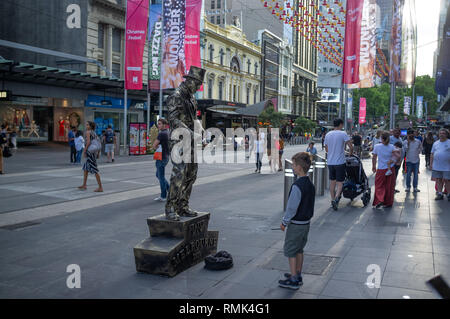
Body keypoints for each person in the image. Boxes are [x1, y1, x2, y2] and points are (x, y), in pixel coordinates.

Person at [164, 66, 206, 221]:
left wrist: (201, 131)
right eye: (197, 84)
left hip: (192, 140)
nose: (198, 88)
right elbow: (173, 119)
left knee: (191, 174)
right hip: (179, 140)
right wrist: (189, 131)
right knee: (179, 174)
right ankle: (170, 207)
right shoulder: (176, 96)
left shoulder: (191, 98)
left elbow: (194, 118)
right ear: (190, 81)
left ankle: (183, 205)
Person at [278, 152, 315, 290]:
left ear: (299, 167)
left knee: (290, 250)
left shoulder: (297, 186)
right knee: (299, 249)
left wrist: (284, 222)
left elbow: (291, 208)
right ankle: (298, 274)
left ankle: (293, 278)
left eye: (293, 165)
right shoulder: (310, 184)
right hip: (306, 224)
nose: (292, 167)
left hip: (296, 225)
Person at [324, 118, 353, 211]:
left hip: (330, 162)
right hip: (340, 162)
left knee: (332, 182)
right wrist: (350, 153)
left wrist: (332, 152)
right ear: (341, 124)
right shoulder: (343, 133)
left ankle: (332, 200)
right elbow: (350, 146)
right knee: (340, 183)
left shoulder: (328, 134)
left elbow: (326, 149)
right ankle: (336, 199)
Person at [372, 132, 396, 209]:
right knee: (389, 186)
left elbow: (374, 157)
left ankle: (380, 199)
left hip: (381, 169)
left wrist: (373, 166)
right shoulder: (392, 147)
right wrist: (392, 161)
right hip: (390, 168)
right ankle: (388, 202)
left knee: (379, 185)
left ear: (381, 138)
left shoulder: (377, 146)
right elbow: (397, 156)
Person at [78, 121, 103, 192]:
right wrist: (98, 153)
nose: (86, 126)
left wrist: (84, 151)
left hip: (90, 152)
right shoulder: (94, 133)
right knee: (85, 168)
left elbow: (88, 142)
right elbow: (98, 142)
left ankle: (100, 187)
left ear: (90, 126)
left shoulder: (88, 132)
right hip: (94, 152)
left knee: (95, 169)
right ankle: (84, 185)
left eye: (87, 125)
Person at [430, 128, 450, 201]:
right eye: (440, 133)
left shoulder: (449, 142)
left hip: (447, 166)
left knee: (447, 180)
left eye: (443, 133)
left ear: (446, 134)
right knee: (438, 180)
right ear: (438, 134)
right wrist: (431, 164)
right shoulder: (435, 143)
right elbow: (432, 154)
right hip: (436, 165)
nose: (441, 134)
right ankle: (440, 193)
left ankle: (449, 194)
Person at [153, 118, 170, 202]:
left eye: (159, 124)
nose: (158, 125)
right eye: (158, 123)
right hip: (166, 156)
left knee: (161, 176)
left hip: (161, 157)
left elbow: (154, 145)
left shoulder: (161, 134)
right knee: (158, 175)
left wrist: (156, 147)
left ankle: (163, 196)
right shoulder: (168, 132)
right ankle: (170, 190)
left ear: (164, 125)